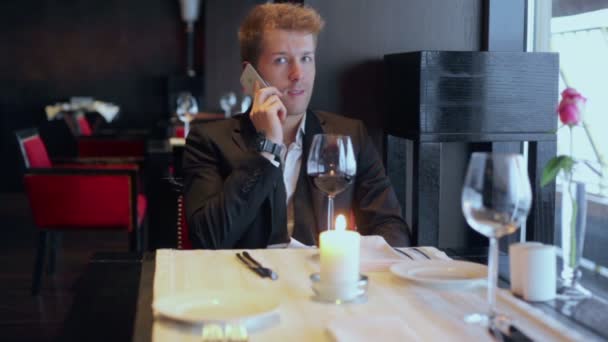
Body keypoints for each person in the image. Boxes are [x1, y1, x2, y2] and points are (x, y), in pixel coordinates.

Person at [183, 3, 410, 249]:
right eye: (281, 60)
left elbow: (391, 227)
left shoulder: (351, 135)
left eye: (306, 58)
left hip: (324, 282)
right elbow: (208, 239)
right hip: (248, 283)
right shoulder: (207, 140)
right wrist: (267, 148)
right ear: (250, 74)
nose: (298, 73)